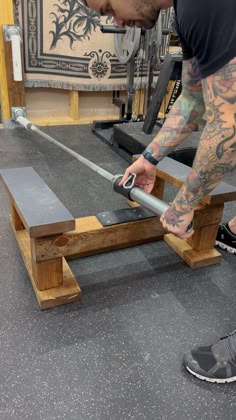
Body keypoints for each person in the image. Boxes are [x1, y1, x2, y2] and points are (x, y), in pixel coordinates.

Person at [85, 0, 236, 382]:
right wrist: (149, 158)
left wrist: (183, 205)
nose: (115, 20)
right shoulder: (188, 12)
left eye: (106, 7)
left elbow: (229, 123)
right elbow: (192, 99)